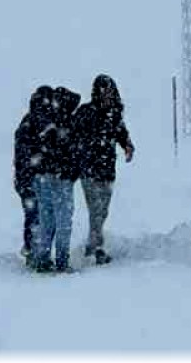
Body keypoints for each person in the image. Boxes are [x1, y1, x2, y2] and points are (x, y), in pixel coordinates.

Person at [71, 74, 134, 265]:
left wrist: (128, 146)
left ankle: (93, 243)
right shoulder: (85, 112)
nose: (108, 95)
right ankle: (96, 248)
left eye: (110, 92)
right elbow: (72, 135)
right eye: (104, 92)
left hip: (107, 171)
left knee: (103, 211)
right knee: (96, 210)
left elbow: (121, 133)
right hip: (88, 170)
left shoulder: (114, 114)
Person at [29, 87, 81, 273]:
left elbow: (37, 151)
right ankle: (61, 261)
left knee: (47, 219)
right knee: (64, 221)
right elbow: (72, 153)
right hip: (60, 179)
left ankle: (42, 258)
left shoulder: (43, 120)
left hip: (42, 177)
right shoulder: (66, 122)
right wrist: (70, 171)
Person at [13, 86, 54, 263]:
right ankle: (33, 251)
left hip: (29, 179)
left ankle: (33, 250)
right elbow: (26, 156)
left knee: (35, 216)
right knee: (36, 216)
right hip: (31, 180)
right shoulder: (32, 124)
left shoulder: (31, 122)